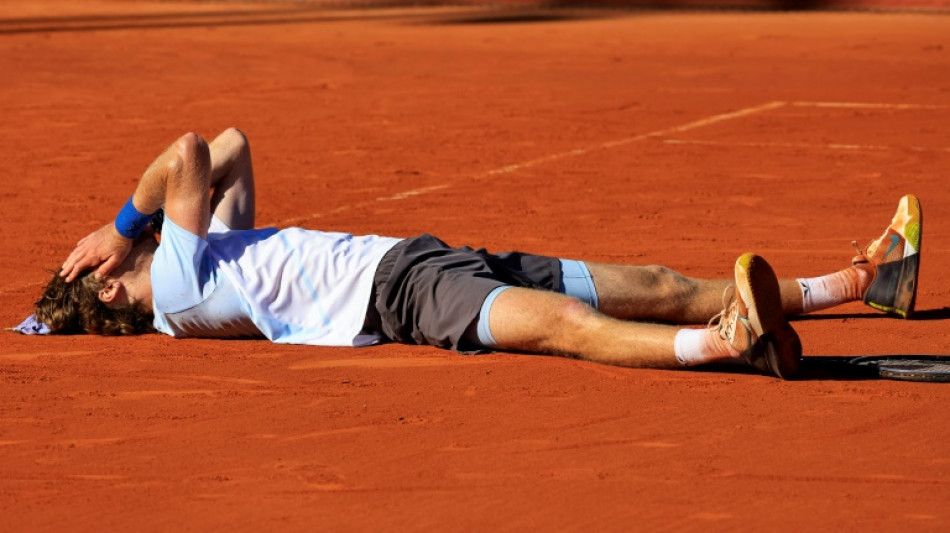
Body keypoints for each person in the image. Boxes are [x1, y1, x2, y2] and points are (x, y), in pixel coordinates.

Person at [34, 129, 922, 380]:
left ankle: (866, 281)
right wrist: (116, 228)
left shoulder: (203, 259)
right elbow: (187, 151)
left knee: (653, 283)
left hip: (432, 260)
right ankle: (730, 345)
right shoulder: (177, 283)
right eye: (107, 266)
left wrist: (105, 255)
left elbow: (230, 146)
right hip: (406, 296)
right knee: (571, 328)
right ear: (112, 291)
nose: (118, 247)